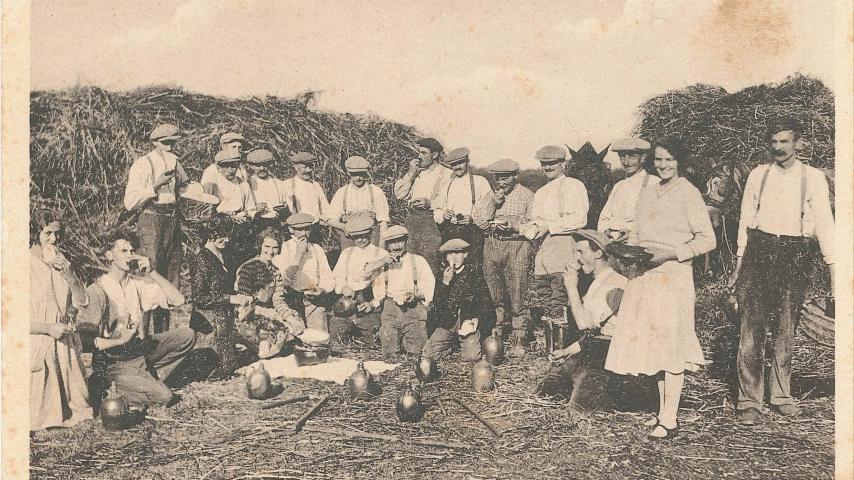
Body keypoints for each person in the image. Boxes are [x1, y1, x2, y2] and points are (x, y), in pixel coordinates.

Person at [604, 137, 716, 440]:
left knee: (673, 345)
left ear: (679, 161)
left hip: (673, 277)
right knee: (656, 344)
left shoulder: (688, 193)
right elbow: (637, 234)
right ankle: (664, 413)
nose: (663, 165)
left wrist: (672, 253)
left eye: (669, 160)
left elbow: (707, 240)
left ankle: (669, 418)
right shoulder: (648, 191)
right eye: (659, 160)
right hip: (644, 276)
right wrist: (625, 250)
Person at [730, 118, 835, 424]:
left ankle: (781, 395)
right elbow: (745, 221)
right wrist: (739, 261)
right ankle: (749, 399)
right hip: (759, 250)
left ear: (797, 143)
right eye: (774, 142)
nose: (778, 147)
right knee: (751, 331)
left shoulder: (813, 177)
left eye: (784, 141)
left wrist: (833, 268)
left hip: (794, 253)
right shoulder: (759, 176)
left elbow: (825, 224)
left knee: (786, 330)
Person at [76, 230, 195, 408]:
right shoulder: (98, 290)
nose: (129, 256)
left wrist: (152, 272)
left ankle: (144, 377)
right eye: (123, 251)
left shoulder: (136, 284)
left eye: (132, 251)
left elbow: (178, 300)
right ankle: (103, 387)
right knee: (165, 397)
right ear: (109, 255)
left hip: (137, 351)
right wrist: (119, 340)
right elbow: (84, 340)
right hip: (113, 362)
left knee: (187, 335)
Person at [535, 230, 628, 408]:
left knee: (580, 407)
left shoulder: (615, 283)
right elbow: (593, 333)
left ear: (599, 253)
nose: (577, 258)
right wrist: (568, 351)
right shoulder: (596, 281)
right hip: (592, 349)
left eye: (581, 252)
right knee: (546, 391)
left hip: (608, 357)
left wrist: (571, 287)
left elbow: (586, 325)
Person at [122, 123, 190, 332]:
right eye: (165, 143)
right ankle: (140, 335)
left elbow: (186, 189)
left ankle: (163, 335)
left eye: (173, 142)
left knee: (169, 279)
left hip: (172, 221)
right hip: (151, 221)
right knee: (148, 276)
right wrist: (155, 186)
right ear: (154, 143)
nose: (170, 147)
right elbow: (129, 201)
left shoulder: (176, 162)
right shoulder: (143, 164)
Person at [30, 210, 93, 431]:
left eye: (58, 234)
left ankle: (70, 406)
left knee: (80, 404)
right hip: (35, 337)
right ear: (35, 234)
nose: (54, 240)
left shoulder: (63, 263)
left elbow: (81, 301)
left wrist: (68, 274)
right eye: (48, 233)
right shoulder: (23, 265)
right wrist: (48, 328)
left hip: (64, 336)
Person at [521, 145, 589, 344]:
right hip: (544, 247)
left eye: (552, 163)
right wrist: (529, 228)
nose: (548, 167)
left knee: (561, 294)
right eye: (544, 164)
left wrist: (550, 226)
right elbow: (536, 219)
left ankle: (565, 344)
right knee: (544, 294)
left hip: (564, 244)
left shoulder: (573, 186)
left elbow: (579, 219)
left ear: (563, 164)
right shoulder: (541, 192)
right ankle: (550, 344)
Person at [472, 159, 535, 357]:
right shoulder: (490, 195)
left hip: (517, 244)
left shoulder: (527, 195)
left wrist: (514, 224)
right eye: (498, 178)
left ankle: (520, 335)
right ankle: (497, 330)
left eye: (505, 178)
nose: (501, 182)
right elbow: (480, 221)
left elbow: (536, 223)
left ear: (516, 176)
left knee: (518, 290)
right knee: (494, 291)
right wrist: (493, 203)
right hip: (493, 243)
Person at [189, 214, 253, 380]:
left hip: (224, 322)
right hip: (208, 325)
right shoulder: (201, 258)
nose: (226, 240)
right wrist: (231, 299)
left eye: (228, 236)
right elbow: (199, 298)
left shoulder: (224, 255)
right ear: (210, 233)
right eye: (221, 235)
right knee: (222, 368)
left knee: (231, 366)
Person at [370, 225, 435, 357]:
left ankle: (408, 340)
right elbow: (372, 285)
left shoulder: (418, 261)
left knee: (417, 351)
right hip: (390, 310)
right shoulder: (383, 264)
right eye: (392, 243)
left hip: (413, 310)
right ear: (387, 245)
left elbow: (429, 289)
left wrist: (415, 295)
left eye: (400, 241)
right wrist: (381, 262)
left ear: (406, 241)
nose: (397, 246)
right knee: (389, 352)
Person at [422, 239, 489, 362]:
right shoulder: (442, 276)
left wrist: (475, 321)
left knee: (471, 357)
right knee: (428, 353)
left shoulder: (474, 275)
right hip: (448, 322)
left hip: (466, 321)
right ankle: (452, 345)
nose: (454, 257)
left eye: (458, 253)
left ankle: (465, 342)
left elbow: (485, 303)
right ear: (446, 257)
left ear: (465, 254)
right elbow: (437, 304)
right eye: (450, 254)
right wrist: (445, 283)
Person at [330, 215, 388, 347]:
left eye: (364, 236)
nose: (361, 240)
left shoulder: (381, 254)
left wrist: (373, 304)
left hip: (368, 304)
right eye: (357, 237)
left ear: (371, 234)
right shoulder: (347, 253)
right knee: (336, 339)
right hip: (347, 304)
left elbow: (383, 286)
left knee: (374, 343)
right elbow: (337, 276)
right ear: (351, 237)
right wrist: (343, 287)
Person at [393, 138, 450, 275]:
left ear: (434, 155)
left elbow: (450, 202)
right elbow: (399, 194)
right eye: (419, 152)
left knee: (430, 261)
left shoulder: (446, 174)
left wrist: (430, 204)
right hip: (412, 221)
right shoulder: (417, 173)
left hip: (431, 223)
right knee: (410, 260)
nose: (419, 156)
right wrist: (411, 173)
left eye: (424, 153)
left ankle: (429, 295)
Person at [272, 213, 335, 332]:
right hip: (291, 299)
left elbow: (327, 276)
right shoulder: (284, 248)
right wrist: (299, 253)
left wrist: (322, 289)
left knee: (318, 337)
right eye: (299, 230)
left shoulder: (316, 249)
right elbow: (283, 279)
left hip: (314, 301)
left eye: (307, 229)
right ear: (291, 229)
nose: (304, 234)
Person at [234, 259, 305, 360]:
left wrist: (290, 319)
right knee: (265, 330)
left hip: (263, 315)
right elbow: (244, 308)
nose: (270, 251)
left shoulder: (274, 271)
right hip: (248, 319)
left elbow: (278, 302)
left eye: (275, 247)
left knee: (292, 320)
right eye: (267, 246)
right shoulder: (248, 269)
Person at [432, 147, 491, 262]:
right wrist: (444, 214)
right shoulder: (447, 185)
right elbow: (437, 210)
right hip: (451, 231)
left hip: (472, 232)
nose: (457, 167)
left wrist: (473, 218)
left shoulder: (480, 182)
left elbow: (488, 209)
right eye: (454, 164)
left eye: (460, 163)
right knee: (451, 264)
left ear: (467, 162)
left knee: (472, 265)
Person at [202, 149, 258, 270]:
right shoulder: (213, 184)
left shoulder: (242, 184)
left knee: (240, 263)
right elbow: (206, 210)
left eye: (234, 166)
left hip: (239, 229)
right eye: (226, 166)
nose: (230, 170)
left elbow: (251, 208)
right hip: (220, 229)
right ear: (218, 167)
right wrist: (224, 218)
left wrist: (245, 216)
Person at [597, 137, 660, 241]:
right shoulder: (619, 185)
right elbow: (604, 217)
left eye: (632, 157)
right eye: (622, 156)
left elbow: (659, 220)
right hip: (613, 242)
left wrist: (633, 233)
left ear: (643, 158)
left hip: (639, 242)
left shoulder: (654, 183)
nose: (626, 162)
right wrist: (605, 230)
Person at [328, 156, 390, 248]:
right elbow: (330, 219)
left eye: (361, 174)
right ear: (349, 173)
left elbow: (384, 221)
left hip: (371, 237)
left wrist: (382, 245)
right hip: (349, 238)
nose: (358, 178)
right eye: (354, 174)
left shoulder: (375, 191)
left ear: (366, 173)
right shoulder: (342, 192)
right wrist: (343, 227)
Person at [245, 149, 291, 233]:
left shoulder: (278, 183)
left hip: (275, 224)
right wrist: (254, 208)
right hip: (256, 224)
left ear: (269, 165)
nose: (262, 168)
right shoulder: (247, 184)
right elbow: (243, 207)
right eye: (258, 165)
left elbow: (286, 204)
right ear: (251, 166)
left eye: (265, 165)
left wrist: (283, 209)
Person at [281, 152, 331, 221]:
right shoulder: (287, 184)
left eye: (310, 167)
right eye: (305, 167)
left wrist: (326, 220)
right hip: (298, 227)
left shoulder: (315, 184)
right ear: (296, 167)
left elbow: (325, 207)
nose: (309, 170)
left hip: (317, 225)